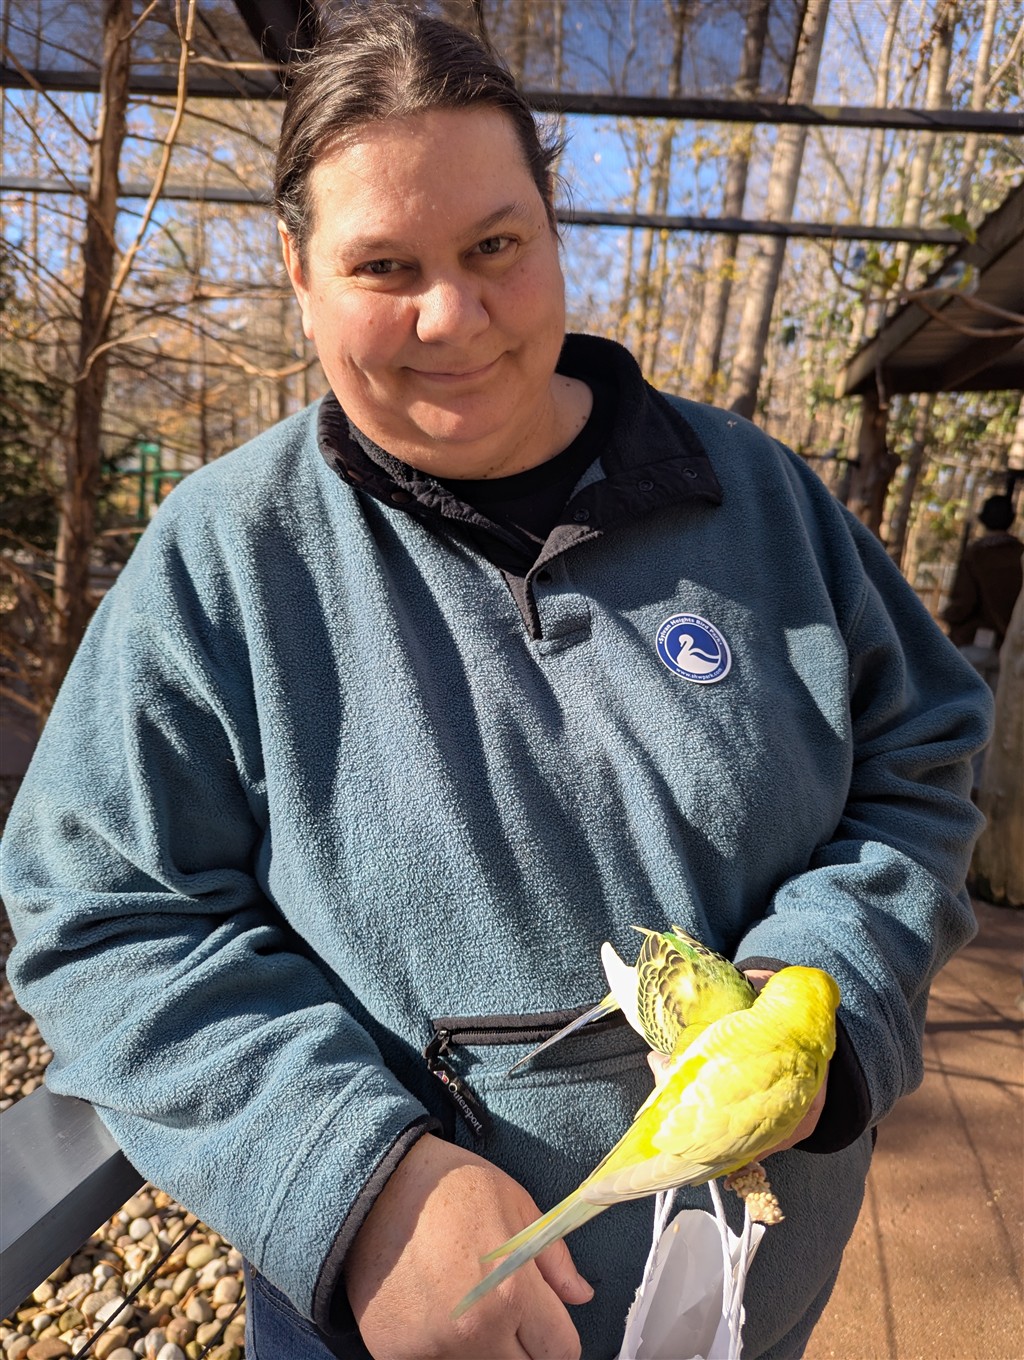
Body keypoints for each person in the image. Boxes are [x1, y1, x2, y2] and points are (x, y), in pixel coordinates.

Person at [2, 8, 993, 1360]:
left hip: (747, 1310)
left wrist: (824, 985)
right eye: (383, 265)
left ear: (552, 230)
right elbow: (100, 915)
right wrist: (354, 1181)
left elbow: (921, 762)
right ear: (299, 273)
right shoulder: (227, 559)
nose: (452, 316)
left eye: (493, 248)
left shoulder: (761, 501)